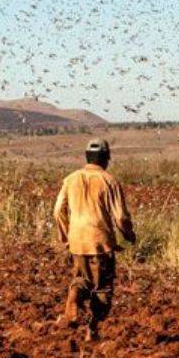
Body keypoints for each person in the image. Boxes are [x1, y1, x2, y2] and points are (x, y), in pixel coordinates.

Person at [53, 138, 136, 341]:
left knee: (83, 278)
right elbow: (120, 217)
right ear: (107, 158)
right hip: (100, 242)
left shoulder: (70, 179)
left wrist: (66, 236)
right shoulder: (109, 181)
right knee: (102, 289)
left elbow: (57, 211)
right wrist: (128, 235)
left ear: (87, 157)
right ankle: (93, 328)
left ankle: (74, 295)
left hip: (77, 241)